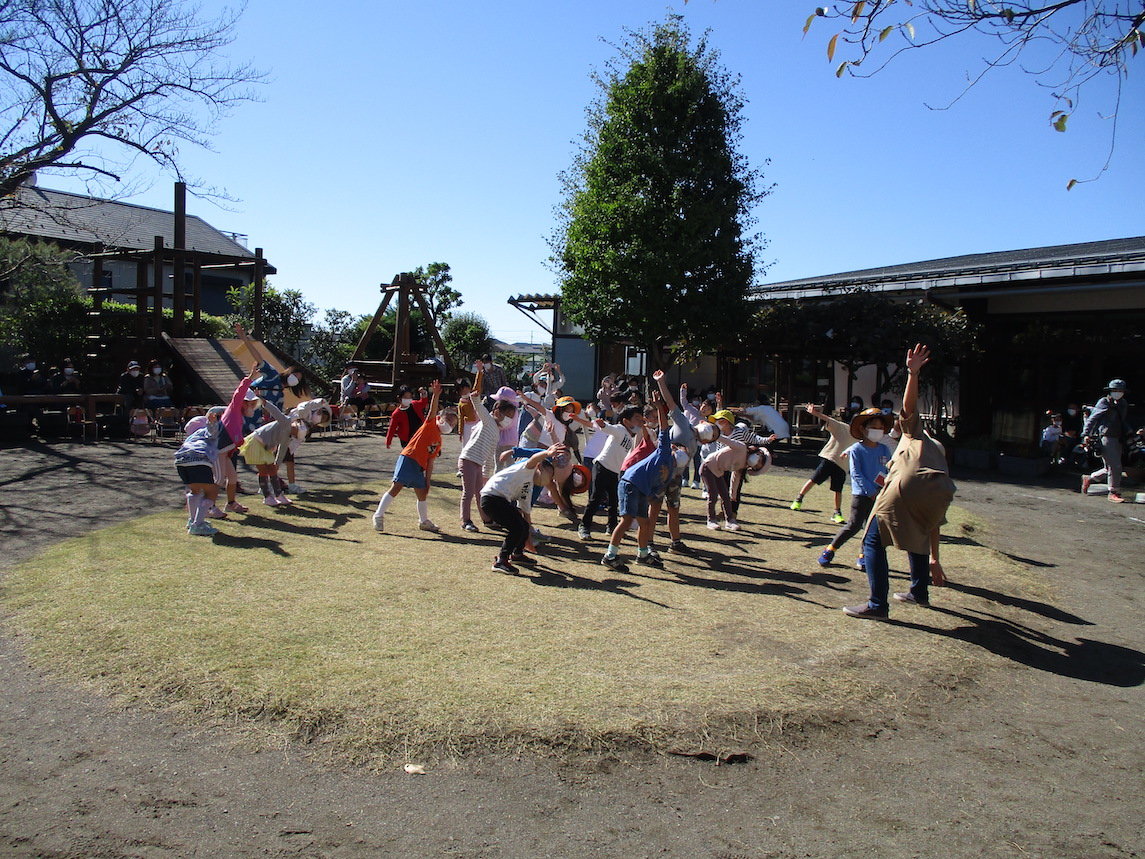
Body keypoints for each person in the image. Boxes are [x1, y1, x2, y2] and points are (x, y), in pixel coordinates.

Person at [845, 344, 956, 619]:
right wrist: (935, 559)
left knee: (872, 541)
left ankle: (877, 605)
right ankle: (919, 591)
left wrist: (913, 374)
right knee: (919, 533)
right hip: (942, 491)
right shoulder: (933, 449)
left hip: (907, 485)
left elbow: (909, 406)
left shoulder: (912, 433)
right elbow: (932, 526)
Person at [600, 387, 675, 572]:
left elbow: (656, 488)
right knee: (626, 520)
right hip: (630, 483)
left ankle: (642, 554)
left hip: (641, 488)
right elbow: (664, 428)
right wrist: (660, 407)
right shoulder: (663, 451)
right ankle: (610, 556)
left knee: (644, 522)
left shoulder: (670, 472)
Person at [818, 408, 892, 567]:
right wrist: (870, 491)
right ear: (863, 429)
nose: (877, 431)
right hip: (861, 495)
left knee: (871, 528)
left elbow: (889, 469)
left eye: (880, 428)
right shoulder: (857, 449)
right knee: (854, 525)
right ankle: (830, 549)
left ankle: (863, 555)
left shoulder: (884, 449)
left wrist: (883, 489)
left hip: (880, 495)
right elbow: (856, 474)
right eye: (873, 427)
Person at [373, 379, 446, 533]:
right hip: (409, 456)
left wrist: (428, 481)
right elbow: (431, 410)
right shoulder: (430, 425)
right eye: (449, 420)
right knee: (396, 487)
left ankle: (424, 521)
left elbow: (431, 461)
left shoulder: (438, 440)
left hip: (418, 464)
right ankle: (378, 515)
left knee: (422, 492)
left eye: (453, 422)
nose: (450, 424)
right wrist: (435, 395)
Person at [480, 443, 564, 573]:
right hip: (491, 498)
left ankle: (517, 554)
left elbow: (526, 514)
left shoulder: (528, 488)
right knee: (516, 528)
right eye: (549, 475)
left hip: (499, 500)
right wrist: (547, 453)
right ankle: (501, 561)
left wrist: (528, 538)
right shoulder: (527, 468)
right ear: (539, 467)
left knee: (523, 525)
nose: (548, 480)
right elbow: (534, 458)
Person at [458, 370, 518, 532]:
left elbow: (490, 456)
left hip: (477, 463)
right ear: (497, 411)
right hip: (468, 459)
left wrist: (486, 473)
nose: (509, 419)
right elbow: (478, 406)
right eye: (507, 415)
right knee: (468, 493)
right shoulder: (488, 420)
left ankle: (487, 519)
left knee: (480, 493)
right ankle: (466, 521)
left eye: (511, 416)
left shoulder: (497, 432)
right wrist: (475, 396)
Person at [791, 403, 852, 524]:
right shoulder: (842, 426)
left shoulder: (863, 436)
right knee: (814, 479)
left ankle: (837, 513)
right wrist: (814, 413)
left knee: (838, 489)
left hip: (843, 465)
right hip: (829, 458)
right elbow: (827, 419)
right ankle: (798, 499)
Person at [173, 407, 226, 537]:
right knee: (211, 491)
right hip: (199, 459)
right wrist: (212, 423)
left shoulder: (191, 437)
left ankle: (192, 520)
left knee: (194, 491)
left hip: (181, 461)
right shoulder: (205, 431)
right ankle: (198, 525)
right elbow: (211, 432)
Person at [1081, 378, 1134, 503]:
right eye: (1115, 390)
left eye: (1120, 390)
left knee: (1110, 467)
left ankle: (1089, 478)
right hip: (1106, 437)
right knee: (1115, 466)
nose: (1118, 393)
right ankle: (1113, 492)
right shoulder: (1104, 402)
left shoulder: (1123, 404)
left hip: (1118, 437)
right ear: (1110, 391)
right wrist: (1086, 434)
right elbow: (1093, 418)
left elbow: (1122, 421)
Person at [385, 384, 428, 449]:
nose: (408, 399)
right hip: (407, 440)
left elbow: (423, 403)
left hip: (420, 435)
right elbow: (392, 428)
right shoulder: (397, 414)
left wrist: (423, 393)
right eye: (405, 397)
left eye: (409, 397)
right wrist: (388, 441)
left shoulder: (415, 404)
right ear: (399, 398)